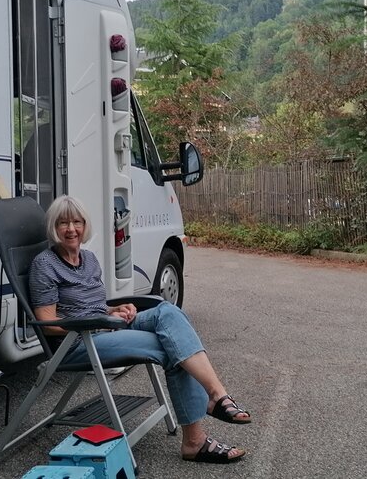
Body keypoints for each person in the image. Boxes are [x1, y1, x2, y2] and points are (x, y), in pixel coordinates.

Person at [28, 195, 251, 464]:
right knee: (172, 348)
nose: (71, 229)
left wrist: (115, 309)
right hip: (78, 342)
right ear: (54, 227)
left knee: (168, 312)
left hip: (104, 327)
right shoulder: (45, 264)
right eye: (63, 223)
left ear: (85, 225)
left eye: (77, 222)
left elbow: (93, 306)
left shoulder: (89, 259)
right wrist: (100, 321)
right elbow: (49, 324)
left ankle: (216, 394)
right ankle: (195, 439)